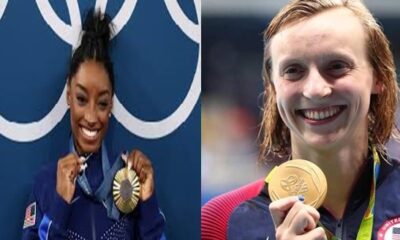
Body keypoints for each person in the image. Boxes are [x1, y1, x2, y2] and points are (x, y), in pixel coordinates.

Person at [227, 0, 400, 239]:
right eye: (293, 70)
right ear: (273, 88)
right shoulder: (221, 219)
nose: (316, 90)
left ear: (378, 77)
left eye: (337, 66)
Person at [22, 9, 165, 239]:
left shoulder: (130, 179)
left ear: (111, 106)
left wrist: (148, 204)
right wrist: (59, 207)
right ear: (69, 95)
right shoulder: (46, 183)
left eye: (101, 103)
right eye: (81, 99)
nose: (90, 116)